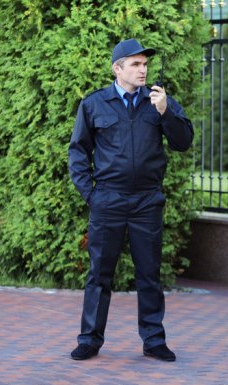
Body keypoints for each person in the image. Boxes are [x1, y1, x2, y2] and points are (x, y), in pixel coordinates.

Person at [68, 38, 193, 362]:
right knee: (99, 274)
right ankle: (90, 339)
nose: (143, 69)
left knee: (149, 274)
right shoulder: (94, 104)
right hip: (107, 201)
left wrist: (166, 112)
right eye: (136, 64)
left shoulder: (158, 101)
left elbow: (183, 142)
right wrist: (91, 195)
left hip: (146, 203)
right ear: (117, 68)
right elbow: (78, 152)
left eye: (145, 64)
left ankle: (153, 340)